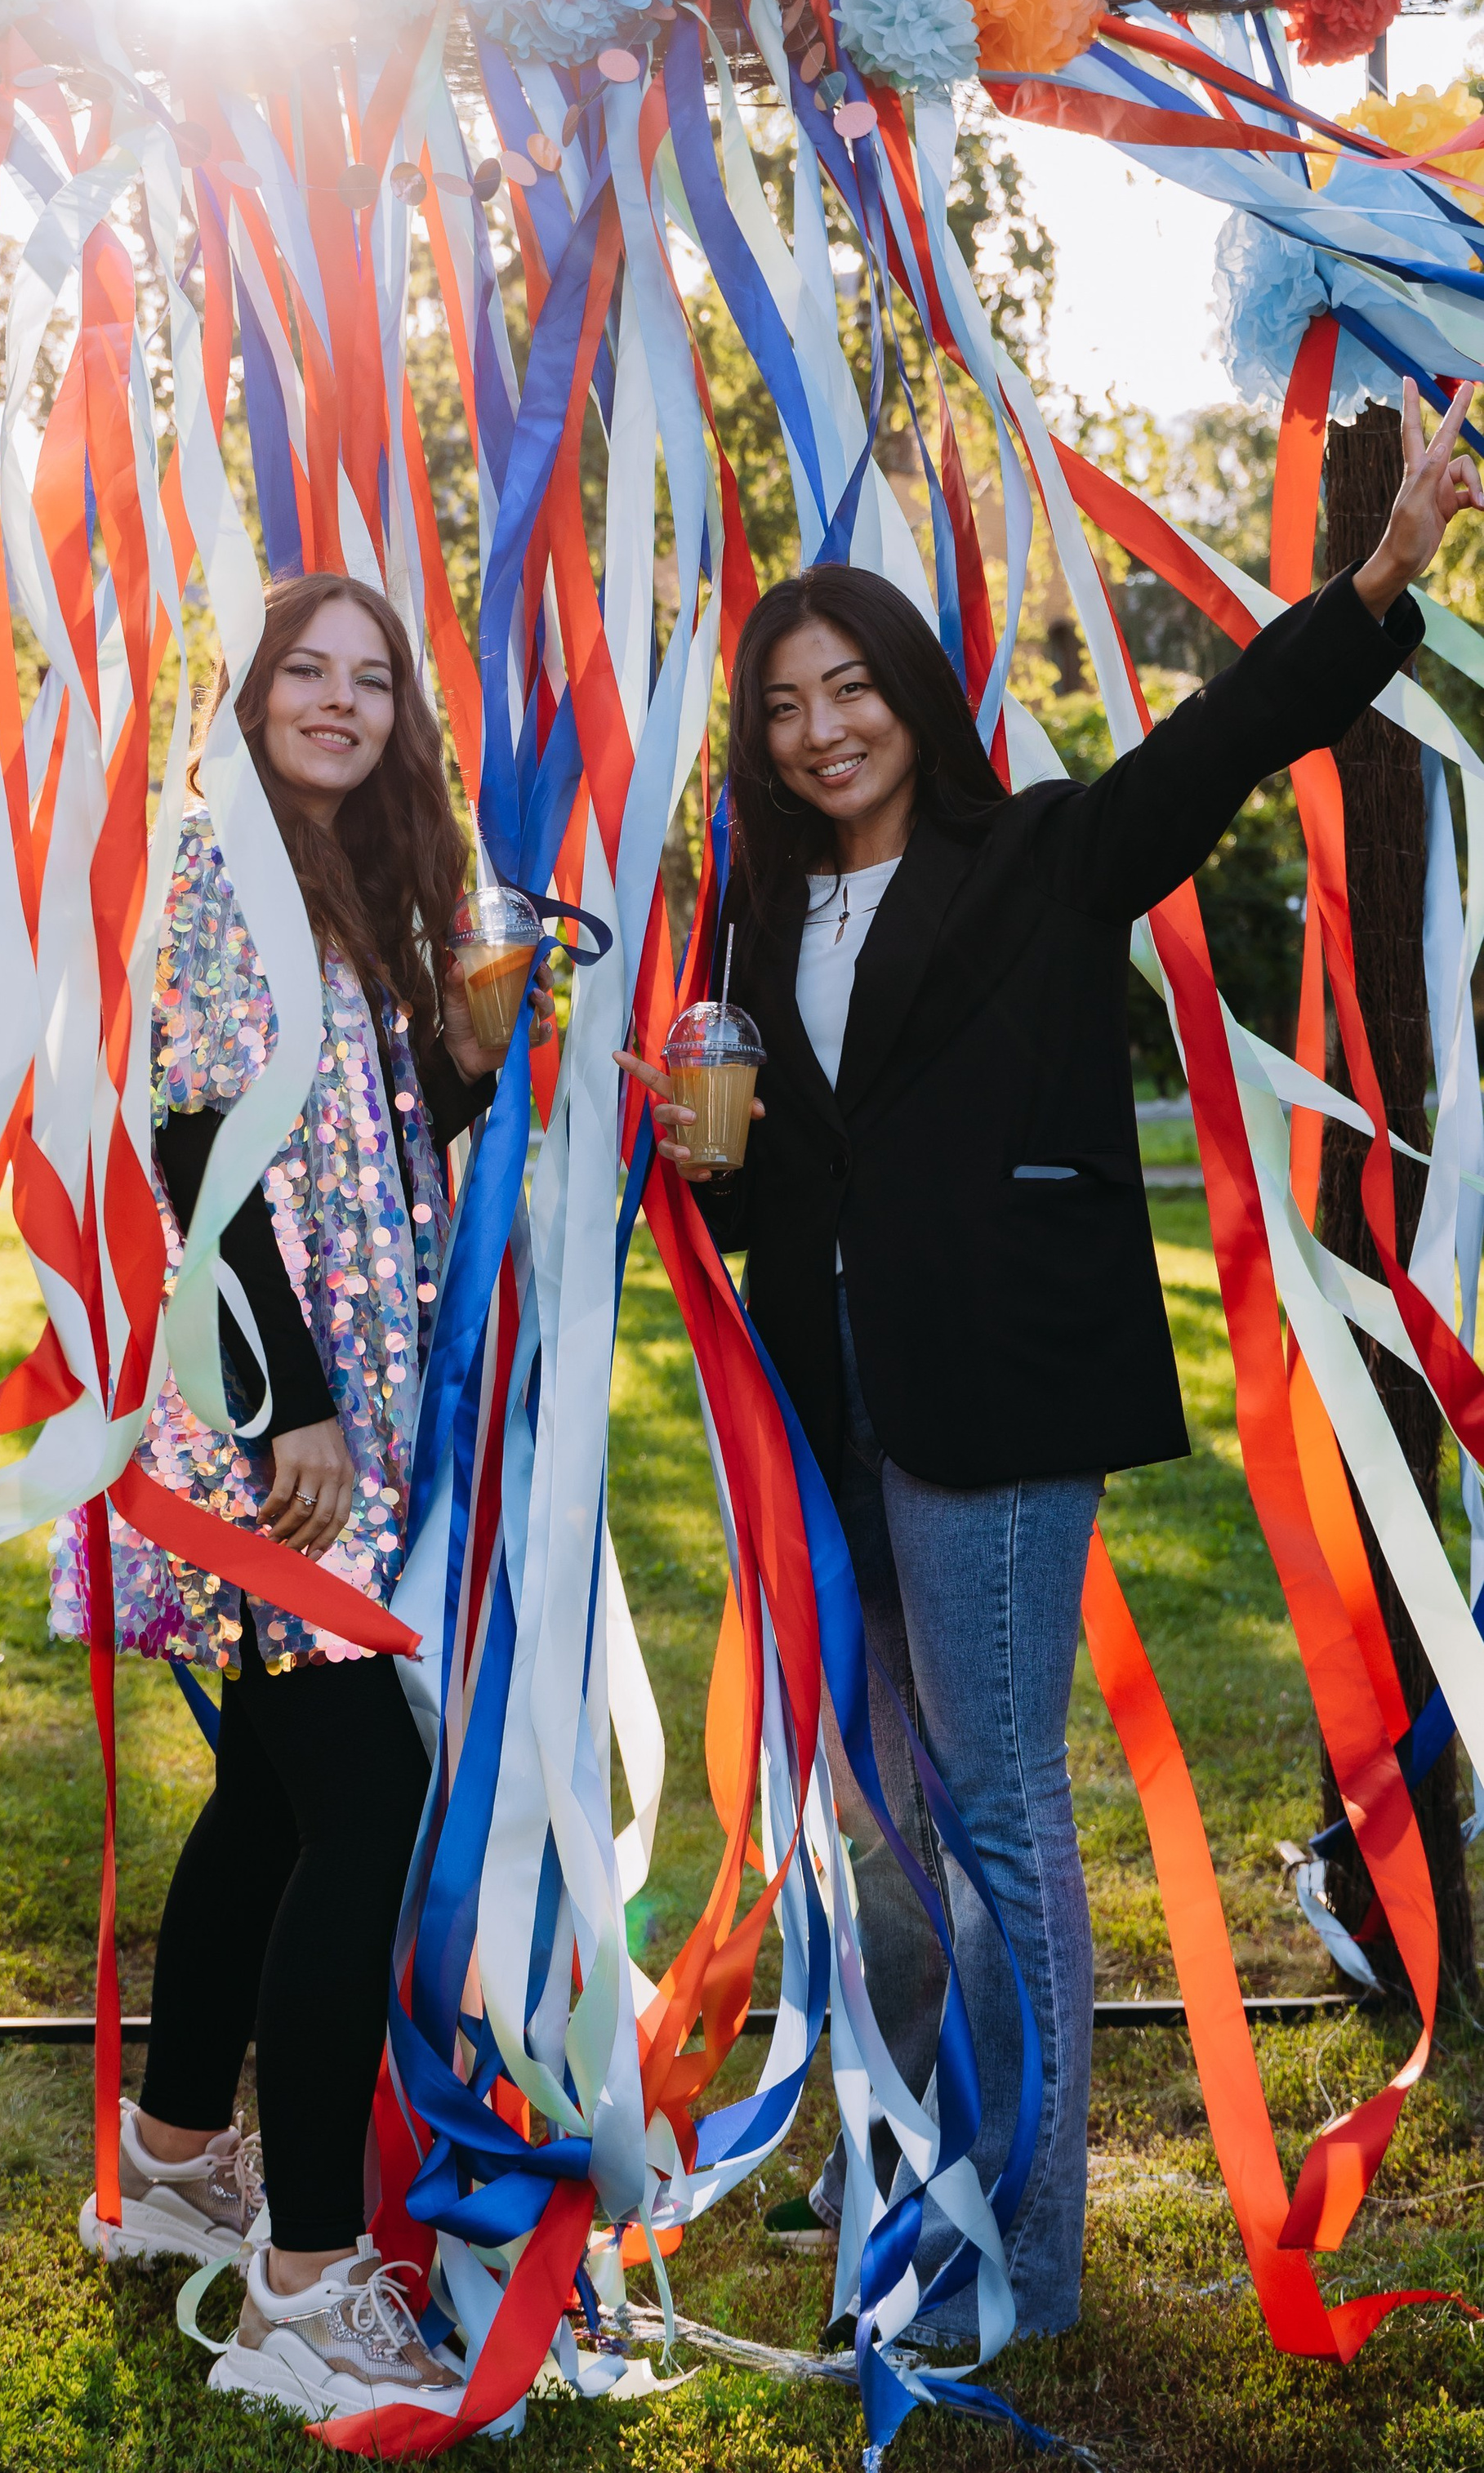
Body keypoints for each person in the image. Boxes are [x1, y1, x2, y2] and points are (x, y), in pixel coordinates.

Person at [616, 377, 1482, 2349]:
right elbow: (772, 1182)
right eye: (782, 703)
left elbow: (1224, 741)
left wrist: (1378, 578)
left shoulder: (1044, 858)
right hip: (816, 1390)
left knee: (993, 1807)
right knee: (874, 1806)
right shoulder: (753, 913)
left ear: (911, 695)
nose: (819, 726)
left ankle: (1018, 2241)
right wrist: (694, 1148)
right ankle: (901, 2141)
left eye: (849, 688)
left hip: (995, 1386)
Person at [52, 568, 552, 2425]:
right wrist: (298, 1410)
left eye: (371, 680)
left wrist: (463, 1055)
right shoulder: (216, 871)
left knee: (268, 1792)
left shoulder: (351, 889)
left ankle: (180, 2164)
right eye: (305, 673)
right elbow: (194, 1145)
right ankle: (305, 2290)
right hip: (258, 1417)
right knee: (370, 1791)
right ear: (250, 694)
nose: (339, 702)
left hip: (312, 1401)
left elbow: (347, 1135)